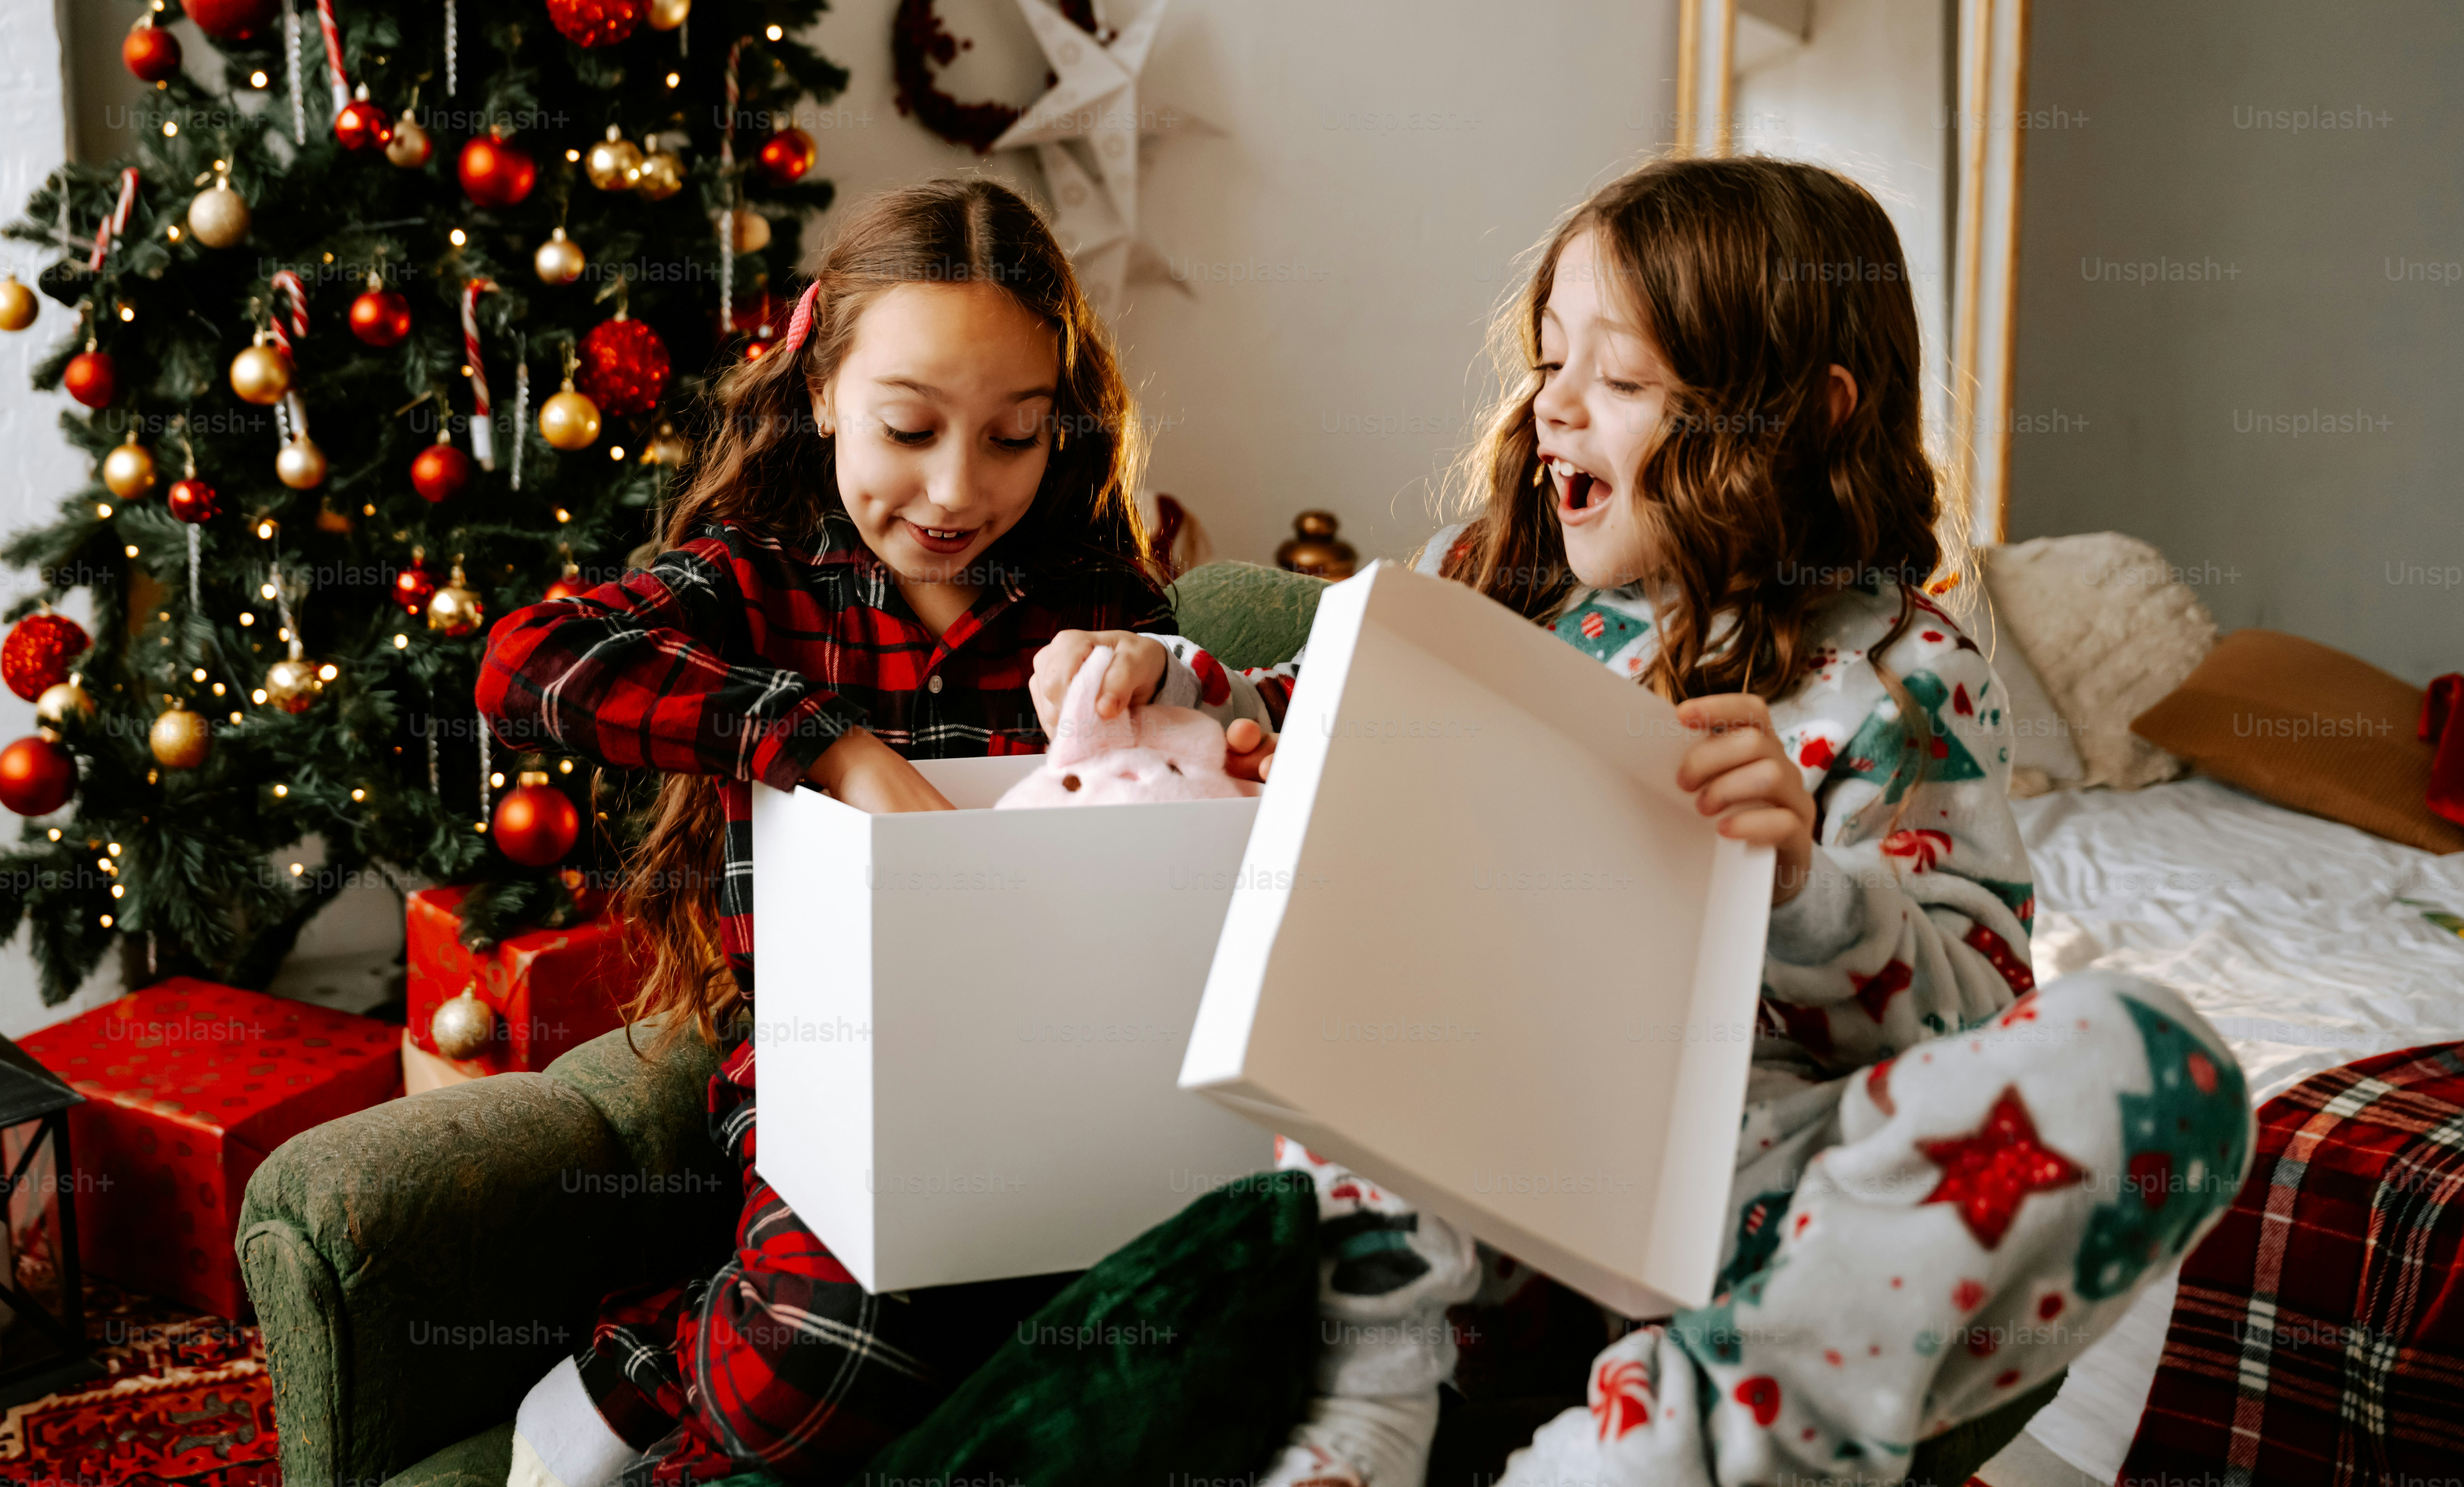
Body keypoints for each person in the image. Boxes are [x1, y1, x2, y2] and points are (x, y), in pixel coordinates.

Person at [1066, 157, 2254, 1487]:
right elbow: (1306, 707)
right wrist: (1163, 679)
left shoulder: (1907, 675)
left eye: (1621, 382)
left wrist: (1805, 886)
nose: (1554, 406)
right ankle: (1370, 1406)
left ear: (1801, 421)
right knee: (1377, 893)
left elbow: (1969, 1023)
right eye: (1550, 360)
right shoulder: (1495, 578)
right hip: (1460, 1152)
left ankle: (1665, 1439)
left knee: (2157, 1060)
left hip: (1740, 1181)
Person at [475, 176, 1262, 1487]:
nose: (957, 490)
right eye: (908, 428)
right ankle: (661, 1352)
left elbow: (1182, 804)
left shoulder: (1087, 597)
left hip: (1065, 1070)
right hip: (816, 1072)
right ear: (825, 387)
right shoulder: (756, 583)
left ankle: (709, 1366)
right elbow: (527, 663)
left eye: (1013, 439)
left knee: (1119, 1332)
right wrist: (827, 745)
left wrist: (1181, 704)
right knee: (810, 1370)